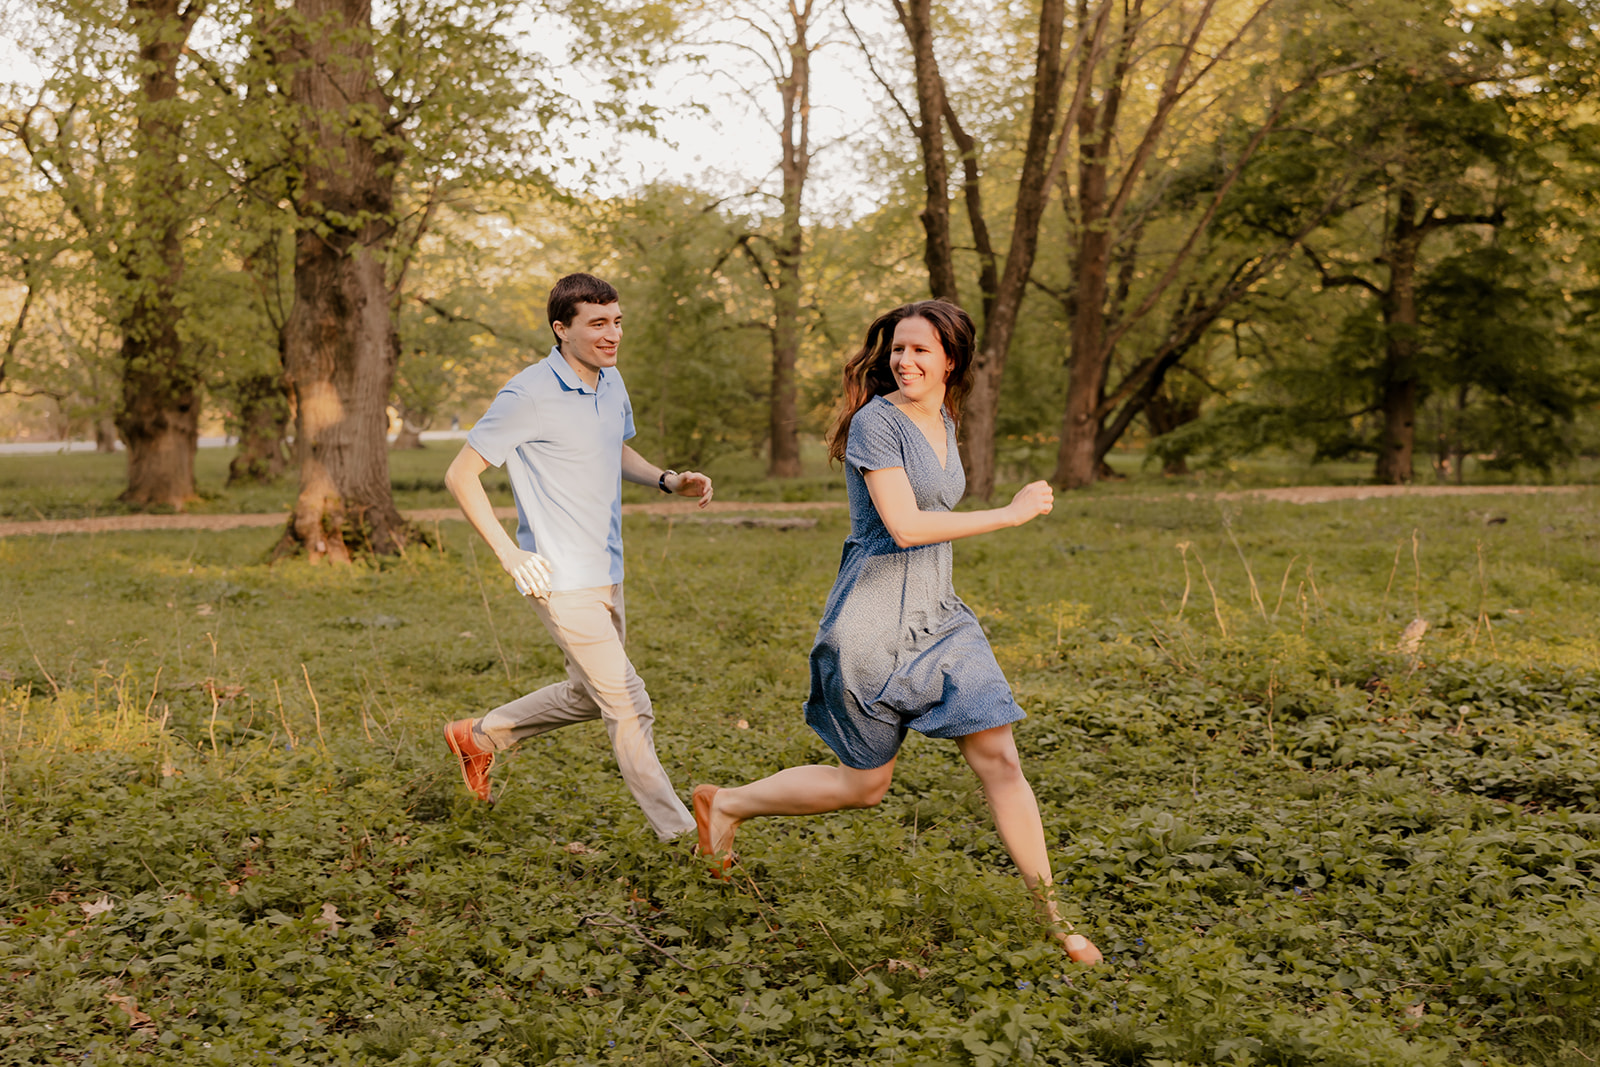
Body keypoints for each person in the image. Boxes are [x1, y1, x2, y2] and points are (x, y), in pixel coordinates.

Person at [691, 300, 1102, 964]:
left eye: (919, 350)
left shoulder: (942, 415)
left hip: (941, 613)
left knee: (1000, 758)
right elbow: (907, 527)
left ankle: (1056, 921)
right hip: (873, 621)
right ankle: (727, 803)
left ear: (951, 360)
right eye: (897, 349)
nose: (904, 360)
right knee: (866, 785)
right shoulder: (875, 424)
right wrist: (1009, 514)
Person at [441, 272, 712, 843]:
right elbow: (461, 474)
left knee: (589, 694)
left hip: (606, 569)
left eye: (616, 322)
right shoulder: (527, 394)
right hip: (557, 575)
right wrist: (510, 553)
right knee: (629, 704)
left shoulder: (610, 382)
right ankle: (687, 838)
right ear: (562, 330)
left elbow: (611, 445)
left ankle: (480, 736)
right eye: (597, 324)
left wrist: (667, 480)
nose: (612, 335)